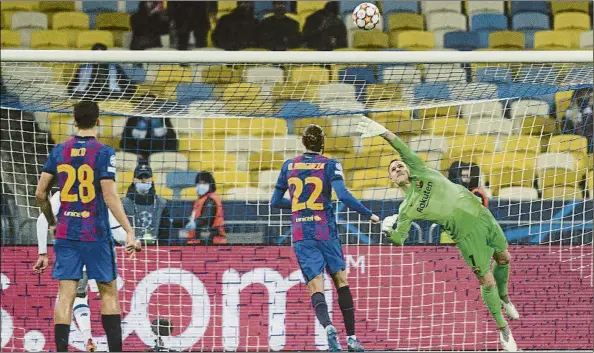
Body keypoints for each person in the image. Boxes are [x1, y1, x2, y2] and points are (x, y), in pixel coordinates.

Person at [356, 117, 520, 352]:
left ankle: (504, 297)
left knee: (504, 258)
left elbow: (400, 147)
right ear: (391, 179)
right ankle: (504, 331)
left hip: (482, 215)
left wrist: (383, 132)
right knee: (486, 280)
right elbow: (398, 240)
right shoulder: (406, 209)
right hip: (465, 235)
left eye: (400, 165)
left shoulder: (421, 170)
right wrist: (387, 230)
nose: (399, 168)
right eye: (393, 169)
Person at [33, 101, 138, 352]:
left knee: (66, 296)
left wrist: (52, 222)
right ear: (98, 121)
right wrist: (130, 230)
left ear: (74, 119)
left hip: (67, 233)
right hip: (96, 233)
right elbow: (110, 196)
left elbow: (40, 194)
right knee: (108, 294)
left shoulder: (59, 151)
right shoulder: (104, 152)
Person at [270, 124, 379, 351]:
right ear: (323, 142)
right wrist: (369, 214)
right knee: (341, 281)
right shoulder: (330, 164)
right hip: (325, 230)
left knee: (315, 286)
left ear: (303, 142)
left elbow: (274, 202)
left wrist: (300, 206)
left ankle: (328, 326)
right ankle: (351, 338)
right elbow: (344, 197)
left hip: (301, 233)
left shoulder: (288, 165)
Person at [35, 191, 141, 352]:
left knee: (67, 298)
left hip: (69, 246)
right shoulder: (103, 191)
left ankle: (75, 342)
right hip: (98, 246)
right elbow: (117, 230)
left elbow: (41, 218)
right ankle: (113, 348)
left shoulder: (63, 191)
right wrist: (131, 239)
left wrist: (42, 252)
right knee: (109, 295)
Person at [122, 163, 172, 245]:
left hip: (155, 249)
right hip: (130, 247)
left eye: (147, 177)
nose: (143, 180)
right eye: (140, 177)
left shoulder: (161, 203)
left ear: (152, 179)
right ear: (134, 180)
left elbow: (165, 232)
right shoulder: (124, 203)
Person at [67, 43, 136, 101]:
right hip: (87, 94)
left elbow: (124, 82)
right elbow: (74, 83)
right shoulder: (83, 68)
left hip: (110, 94)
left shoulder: (115, 67)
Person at [120, 94, 178, 160]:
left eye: (151, 102)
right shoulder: (133, 119)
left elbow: (171, 137)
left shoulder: (163, 118)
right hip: (138, 154)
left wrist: (167, 153)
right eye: (145, 102)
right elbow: (126, 139)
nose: (148, 105)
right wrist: (135, 153)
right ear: (140, 104)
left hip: (160, 154)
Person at [184, 171, 226, 245]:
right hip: (197, 241)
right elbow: (194, 218)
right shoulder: (199, 200)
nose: (201, 185)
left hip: (212, 242)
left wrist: (194, 223)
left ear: (210, 185)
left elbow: (206, 219)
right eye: (198, 183)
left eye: (204, 183)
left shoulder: (211, 200)